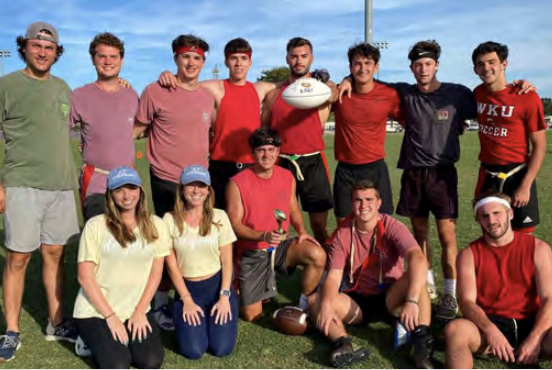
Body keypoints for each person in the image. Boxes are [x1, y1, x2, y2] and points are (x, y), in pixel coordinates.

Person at [0, 22, 80, 362]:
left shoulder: (63, 88)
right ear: (25, 47)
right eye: (37, 46)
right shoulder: (7, 85)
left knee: (55, 256)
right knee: (18, 258)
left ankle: (56, 322)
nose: (43, 52)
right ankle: (12, 330)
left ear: (56, 52)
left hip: (61, 186)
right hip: (21, 184)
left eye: (49, 48)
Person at [133, 34, 215, 330]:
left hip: (199, 183)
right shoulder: (156, 90)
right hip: (167, 179)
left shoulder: (207, 96)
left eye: (197, 58)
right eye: (185, 57)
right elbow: (135, 129)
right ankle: (159, 300)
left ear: (203, 62)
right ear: (176, 59)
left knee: (194, 240)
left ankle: (192, 296)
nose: (191, 62)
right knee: (167, 243)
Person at [309, 180, 434, 369]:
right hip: (359, 301)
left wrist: (411, 301)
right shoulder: (343, 232)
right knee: (315, 302)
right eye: (358, 200)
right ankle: (344, 344)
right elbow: (334, 276)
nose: (363, 205)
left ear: (379, 202)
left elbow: (417, 257)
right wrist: (326, 304)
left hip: (391, 295)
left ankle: (421, 344)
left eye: (369, 199)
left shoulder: (392, 226)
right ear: (352, 204)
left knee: (417, 276)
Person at [158, 38, 279, 210]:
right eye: (233, 58)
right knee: (219, 221)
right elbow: (186, 83)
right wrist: (168, 75)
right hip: (221, 166)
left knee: (250, 218)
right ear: (226, 62)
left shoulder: (259, 89)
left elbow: (290, 84)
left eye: (243, 58)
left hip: (251, 166)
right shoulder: (216, 87)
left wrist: (317, 78)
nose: (238, 63)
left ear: (250, 62)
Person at [226, 128, 327, 320]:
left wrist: (302, 231)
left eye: (271, 150)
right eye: (261, 150)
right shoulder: (236, 183)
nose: (267, 154)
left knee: (317, 254)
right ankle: (237, 288)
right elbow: (234, 225)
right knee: (251, 315)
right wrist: (262, 236)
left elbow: (293, 208)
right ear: (253, 153)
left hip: (280, 246)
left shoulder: (286, 176)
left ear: (278, 152)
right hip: (253, 252)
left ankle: (303, 304)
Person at [444, 192, 552, 368]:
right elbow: (466, 302)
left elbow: (550, 299)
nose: (491, 221)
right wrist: (491, 330)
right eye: (484, 216)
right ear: (478, 220)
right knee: (455, 330)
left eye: (496, 213)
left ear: (510, 214)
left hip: (533, 323)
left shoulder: (538, 248)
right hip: (490, 325)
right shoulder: (468, 255)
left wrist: (535, 338)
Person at [73, 167, 167, 369]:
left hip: (134, 308)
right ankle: (89, 339)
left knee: (150, 361)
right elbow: (84, 277)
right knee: (118, 364)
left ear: (141, 190)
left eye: (131, 188)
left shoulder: (156, 225)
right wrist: (111, 317)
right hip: (96, 311)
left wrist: (141, 311)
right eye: (119, 190)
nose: (126, 196)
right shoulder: (96, 226)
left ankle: (116, 337)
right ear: (110, 194)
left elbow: (156, 272)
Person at [261, 37, 338, 246]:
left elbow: (333, 94)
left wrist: (321, 83)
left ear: (311, 58)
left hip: (313, 161)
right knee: (278, 221)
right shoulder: (275, 95)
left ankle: (325, 268)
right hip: (282, 163)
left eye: (304, 56)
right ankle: (277, 267)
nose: (299, 61)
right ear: (287, 59)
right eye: (294, 56)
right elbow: (264, 131)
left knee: (320, 226)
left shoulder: (321, 87)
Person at [164, 165, 238, 359]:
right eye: (191, 185)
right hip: (188, 290)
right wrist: (186, 300)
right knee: (193, 351)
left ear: (208, 190)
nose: (196, 191)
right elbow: (171, 266)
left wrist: (224, 296)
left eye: (201, 185)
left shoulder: (219, 216)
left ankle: (217, 314)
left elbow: (227, 261)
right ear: (182, 189)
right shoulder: (169, 220)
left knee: (221, 348)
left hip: (217, 287)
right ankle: (185, 318)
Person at [471, 41, 546, 234]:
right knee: (490, 232)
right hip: (488, 173)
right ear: (475, 69)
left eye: (491, 62)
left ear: (504, 64)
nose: (486, 68)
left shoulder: (527, 96)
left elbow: (539, 146)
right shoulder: (477, 93)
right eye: (480, 64)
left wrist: (526, 186)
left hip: (517, 173)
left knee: (523, 236)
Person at [71, 32, 138, 221]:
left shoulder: (131, 95)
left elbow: (144, 127)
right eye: (102, 56)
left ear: (121, 60)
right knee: (98, 239)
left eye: (113, 56)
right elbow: (57, 130)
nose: (108, 61)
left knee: (128, 239)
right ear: (93, 60)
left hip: (128, 180)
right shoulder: (79, 95)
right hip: (96, 181)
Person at [332, 42, 401, 221]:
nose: (363, 69)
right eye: (357, 63)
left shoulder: (389, 94)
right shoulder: (339, 93)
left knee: (381, 223)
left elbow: (411, 121)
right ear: (350, 67)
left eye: (368, 63)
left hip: (375, 168)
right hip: (345, 170)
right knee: (344, 225)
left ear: (376, 67)